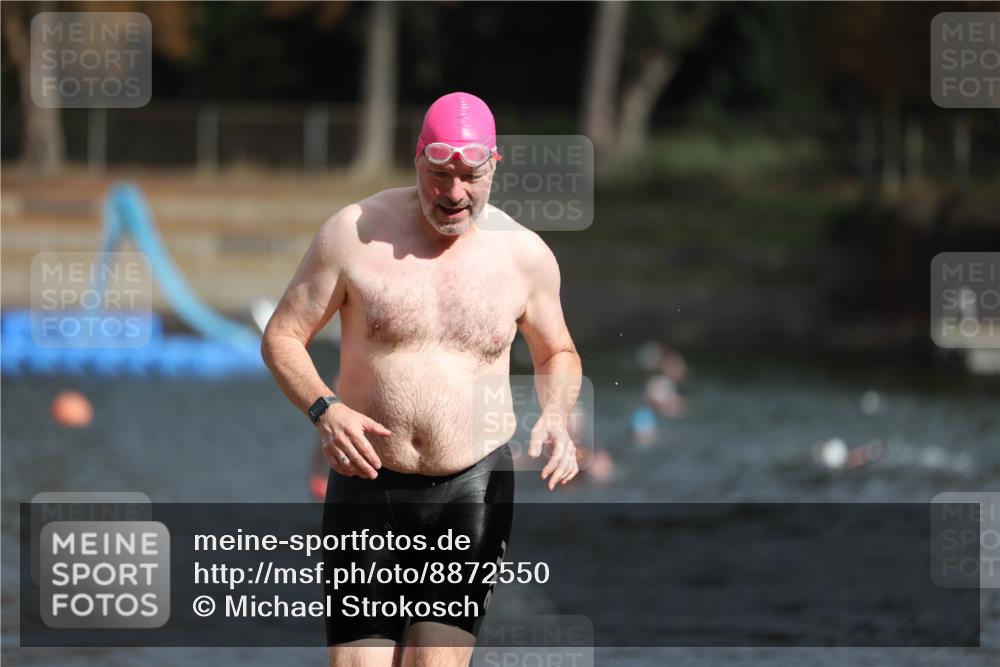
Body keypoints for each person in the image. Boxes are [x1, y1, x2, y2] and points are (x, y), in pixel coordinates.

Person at [261, 91, 583, 667]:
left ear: (493, 167)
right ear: (416, 161)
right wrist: (324, 409)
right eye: (438, 175)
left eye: (469, 177)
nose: (453, 193)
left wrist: (556, 415)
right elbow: (282, 336)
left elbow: (557, 351)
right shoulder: (352, 235)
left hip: (473, 485)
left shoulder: (525, 257)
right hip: (367, 481)